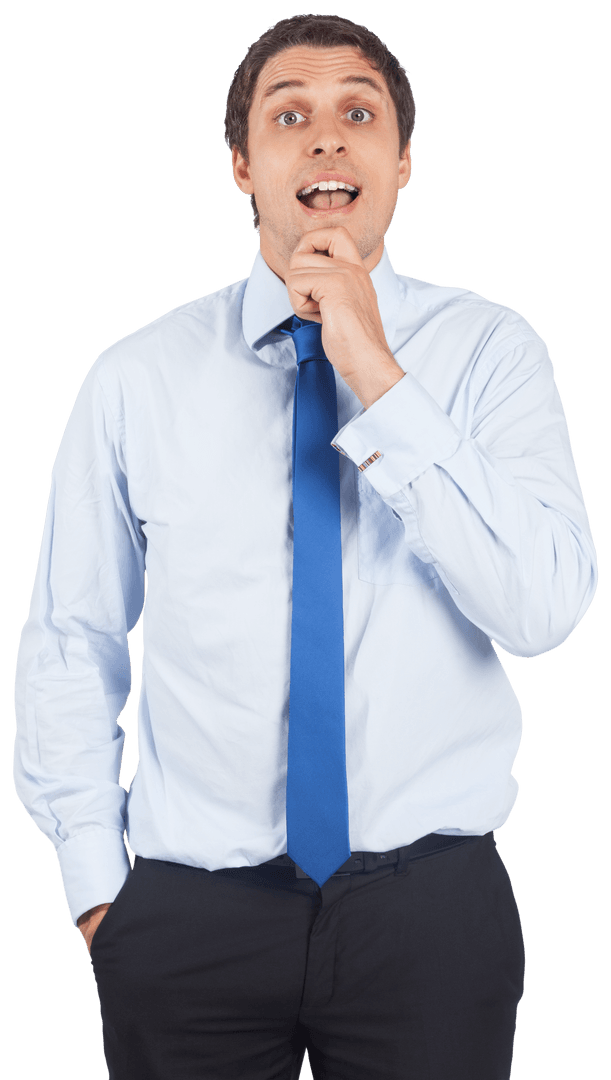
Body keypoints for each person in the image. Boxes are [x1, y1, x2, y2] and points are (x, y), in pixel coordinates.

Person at [12, 12, 598, 1080]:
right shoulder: (135, 378)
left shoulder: (488, 354)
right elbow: (71, 639)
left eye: (357, 114)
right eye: (290, 116)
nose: (326, 138)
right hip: (186, 915)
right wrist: (99, 891)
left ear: (400, 160)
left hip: (430, 912)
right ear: (244, 164)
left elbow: (542, 607)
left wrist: (377, 373)